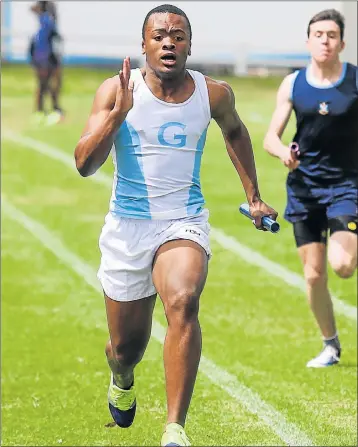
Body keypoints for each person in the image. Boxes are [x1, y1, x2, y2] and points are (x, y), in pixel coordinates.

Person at [74, 4, 277, 446]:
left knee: (183, 301)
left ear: (189, 43)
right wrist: (117, 114)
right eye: (159, 35)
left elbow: (236, 132)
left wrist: (255, 197)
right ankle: (122, 377)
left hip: (183, 221)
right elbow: (84, 165)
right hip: (128, 227)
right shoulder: (115, 90)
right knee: (125, 349)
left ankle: (174, 429)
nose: (169, 42)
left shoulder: (214, 93)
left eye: (178, 35)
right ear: (143, 43)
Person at [264, 9, 357, 368]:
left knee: (344, 264)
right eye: (318, 34)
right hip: (304, 189)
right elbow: (271, 136)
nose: (325, 40)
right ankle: (330, 346)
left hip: (345, 186)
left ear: (342, 43)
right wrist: (282, 152)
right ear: (308, 41)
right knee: (314, 274)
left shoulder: (354, 81)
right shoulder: (292, 84)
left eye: (331, 35)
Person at [29, 1, 64, 125]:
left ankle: (50, 109)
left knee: (49, 85)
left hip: (45, 59)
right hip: (44, 59)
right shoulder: (47, 23)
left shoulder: (46, 24)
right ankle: (43, 110)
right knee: (46, 85)